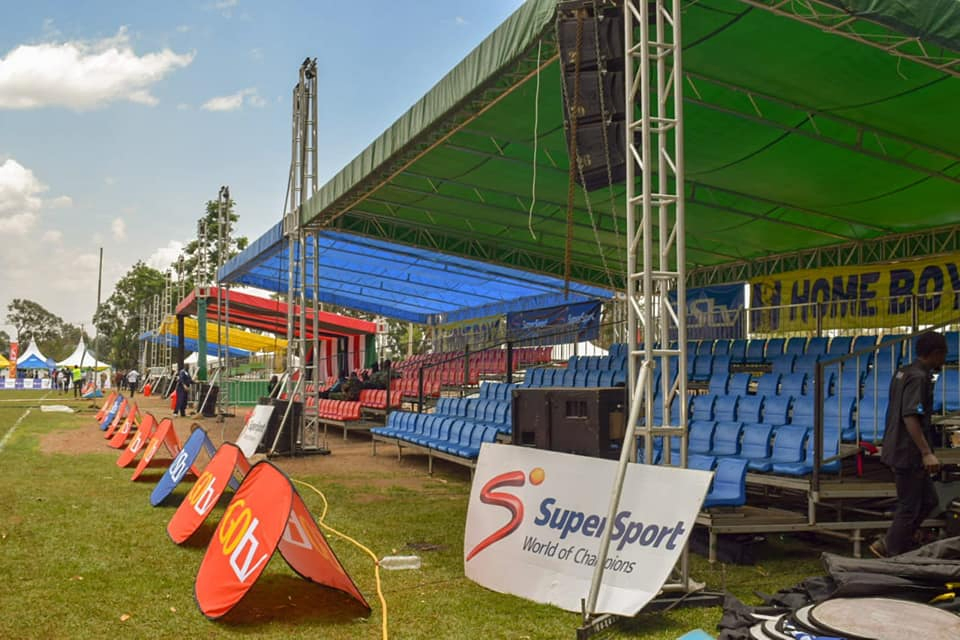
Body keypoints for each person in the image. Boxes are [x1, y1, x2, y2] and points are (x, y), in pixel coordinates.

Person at [871, 331, 947, 558]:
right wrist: (926, 453)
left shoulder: (902, 371)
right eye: (943, 355)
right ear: (935, 354)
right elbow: (910, 416)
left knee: (929, 501)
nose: (944, 360)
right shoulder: (919, 377)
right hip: (908, 452)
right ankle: (890, 549)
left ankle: (898, 542)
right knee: (909, 505)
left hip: (898, 446)